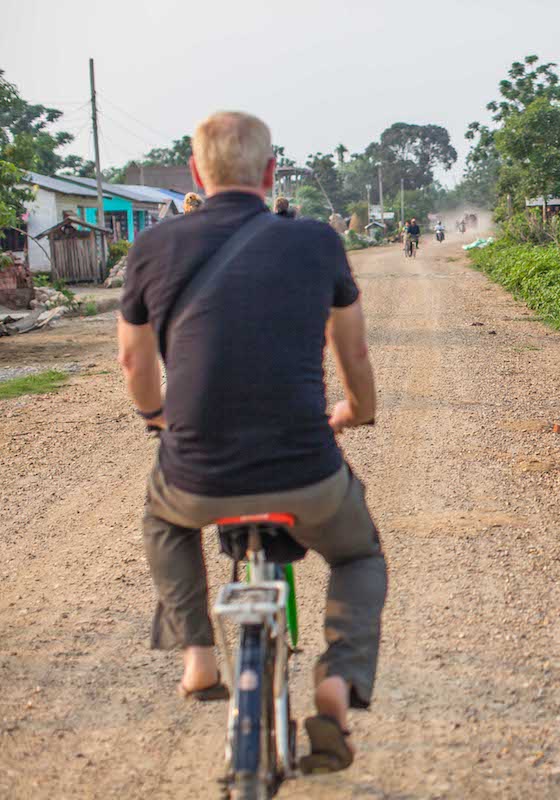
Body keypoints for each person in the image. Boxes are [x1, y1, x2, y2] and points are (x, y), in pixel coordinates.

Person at [117, 110, 386, 774]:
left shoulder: (152, 249)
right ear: (272, 174)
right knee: (358, 555)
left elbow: (134, 364)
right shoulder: (317, 242)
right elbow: (350, 346)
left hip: (195, 478)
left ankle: (197, 655)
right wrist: (357, 410)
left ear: (194, 173)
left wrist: (156, 414)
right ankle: (335, 682)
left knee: (162, 519)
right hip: (307, 472)